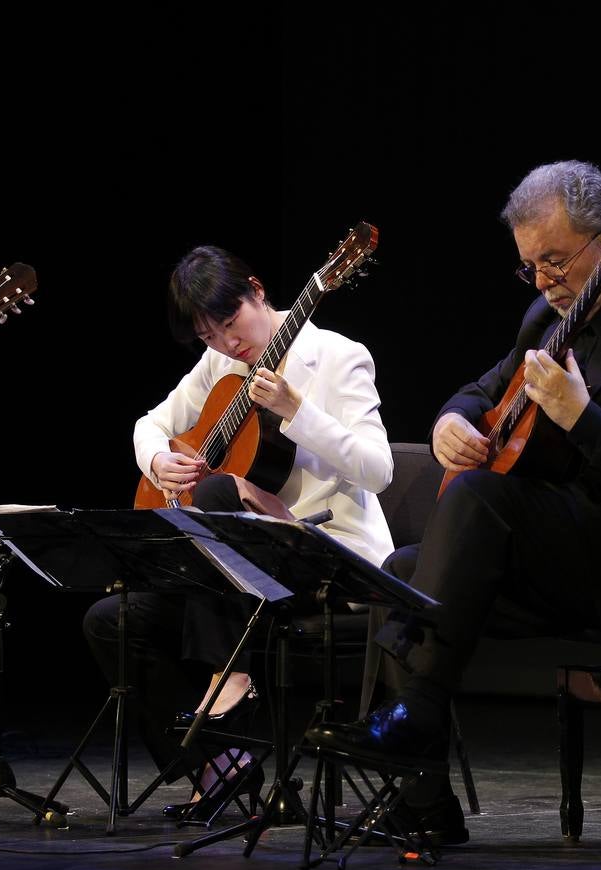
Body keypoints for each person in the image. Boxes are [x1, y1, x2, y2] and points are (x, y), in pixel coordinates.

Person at [308, 161, 601, 839]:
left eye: (553, 260)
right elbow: (481, 389)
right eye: (529, 266)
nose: (543, 280)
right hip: (570, 557)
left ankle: (419, 707)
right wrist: (449, 424)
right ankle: (424, 806)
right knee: (402, 572)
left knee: (487, 500)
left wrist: (584, 419)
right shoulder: (545, 319)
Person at [82, 244, 395, 819]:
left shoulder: (339, 356)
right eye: (209, 337)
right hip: (242, 576)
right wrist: (158, 463)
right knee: (113, 621)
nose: (228, 343)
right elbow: (149, 423)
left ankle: (233, 680)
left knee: (219, 493)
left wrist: (298, 411)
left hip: (321, 556)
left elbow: (379, 469)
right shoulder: (221, 365)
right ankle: (217, 765)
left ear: (256, 290)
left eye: (231, 323)